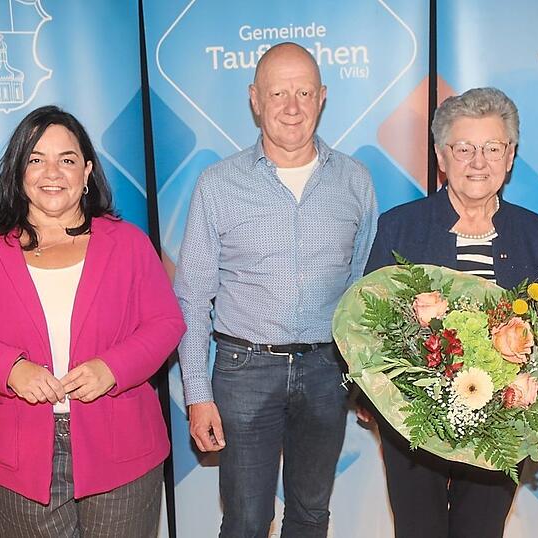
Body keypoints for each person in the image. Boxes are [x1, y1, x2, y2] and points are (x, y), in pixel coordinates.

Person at [0, 105, 185, 537]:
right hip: (23, 456)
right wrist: (10, 369)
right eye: (36, 159)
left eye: (67, 159)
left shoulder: (127, 243)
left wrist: (113, 368)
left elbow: (166, 323)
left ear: (86, 171)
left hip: (121, 447)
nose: (52, 172)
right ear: (19, 171)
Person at [174, 42, 377, 537]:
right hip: (244, 371)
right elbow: (192, 296)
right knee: (246, 519)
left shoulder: (355, 180)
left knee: (311, 514)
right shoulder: (217, 184)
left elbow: (363, 291)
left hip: (328, 370)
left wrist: (369, 378)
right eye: (278, 93)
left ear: (322, 97)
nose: (292, 106)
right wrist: (198, 394)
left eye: (304, 92)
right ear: (254, 99)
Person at [361, 87, 538, 538]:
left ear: (510, 156)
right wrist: (372, 396)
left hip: (504, 422)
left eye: (492, 148)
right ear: (441, 155)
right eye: (464, 148)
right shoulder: (400, 227)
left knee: (482, 530)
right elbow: (368, 325)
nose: (479, 161)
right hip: (412, 420)